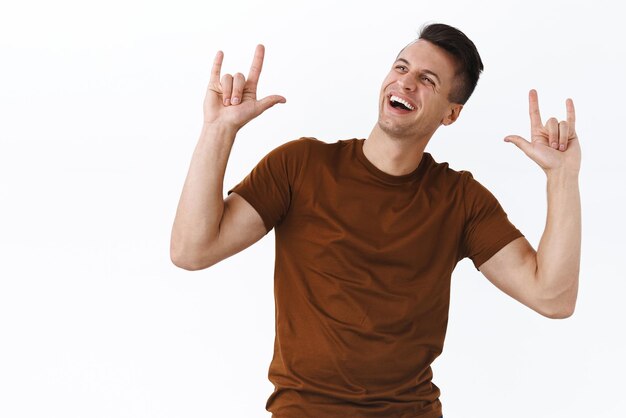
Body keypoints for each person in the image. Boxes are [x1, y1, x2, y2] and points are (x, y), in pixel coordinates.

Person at [170, 23, 581, 418]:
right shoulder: (300, 166)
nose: (405, 82)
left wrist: (562, 178)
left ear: (450, 114)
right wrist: (218, 131)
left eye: (427, 80)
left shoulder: (460, 201)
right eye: (401, 67)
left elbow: (552, 297)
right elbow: (192, 250)